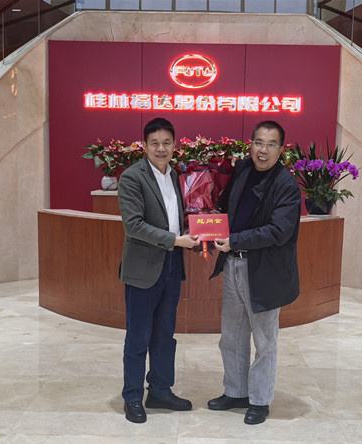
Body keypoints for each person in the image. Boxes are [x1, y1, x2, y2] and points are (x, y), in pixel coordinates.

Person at [208, 120, 301, 425]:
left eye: (271, 144)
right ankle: (236, 391)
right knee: (232, 335)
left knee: (264, 340)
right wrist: (206, 225)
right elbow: (226, 209)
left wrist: (234, 240)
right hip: (233, 264)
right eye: (259, 142)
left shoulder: (286, 185)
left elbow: (278, 231)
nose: (263, 150)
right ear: (250, 144)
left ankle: (260, 400)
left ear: (281, 149)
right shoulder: (243, 170)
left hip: (264, 272)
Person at [118, 117, 200, 423]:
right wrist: (176, 240)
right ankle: (132, 397)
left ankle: (160, 390)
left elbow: (179, 218)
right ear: (145, 146)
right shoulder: (132, 177)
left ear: (174, 145)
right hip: (143, 269)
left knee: (165, 334)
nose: (161, 149)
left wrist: (195, 234)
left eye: (166, 143)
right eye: (154, 143)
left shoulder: (176, 175)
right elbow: (134, 225)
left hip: (172, 266)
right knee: (138, 336)